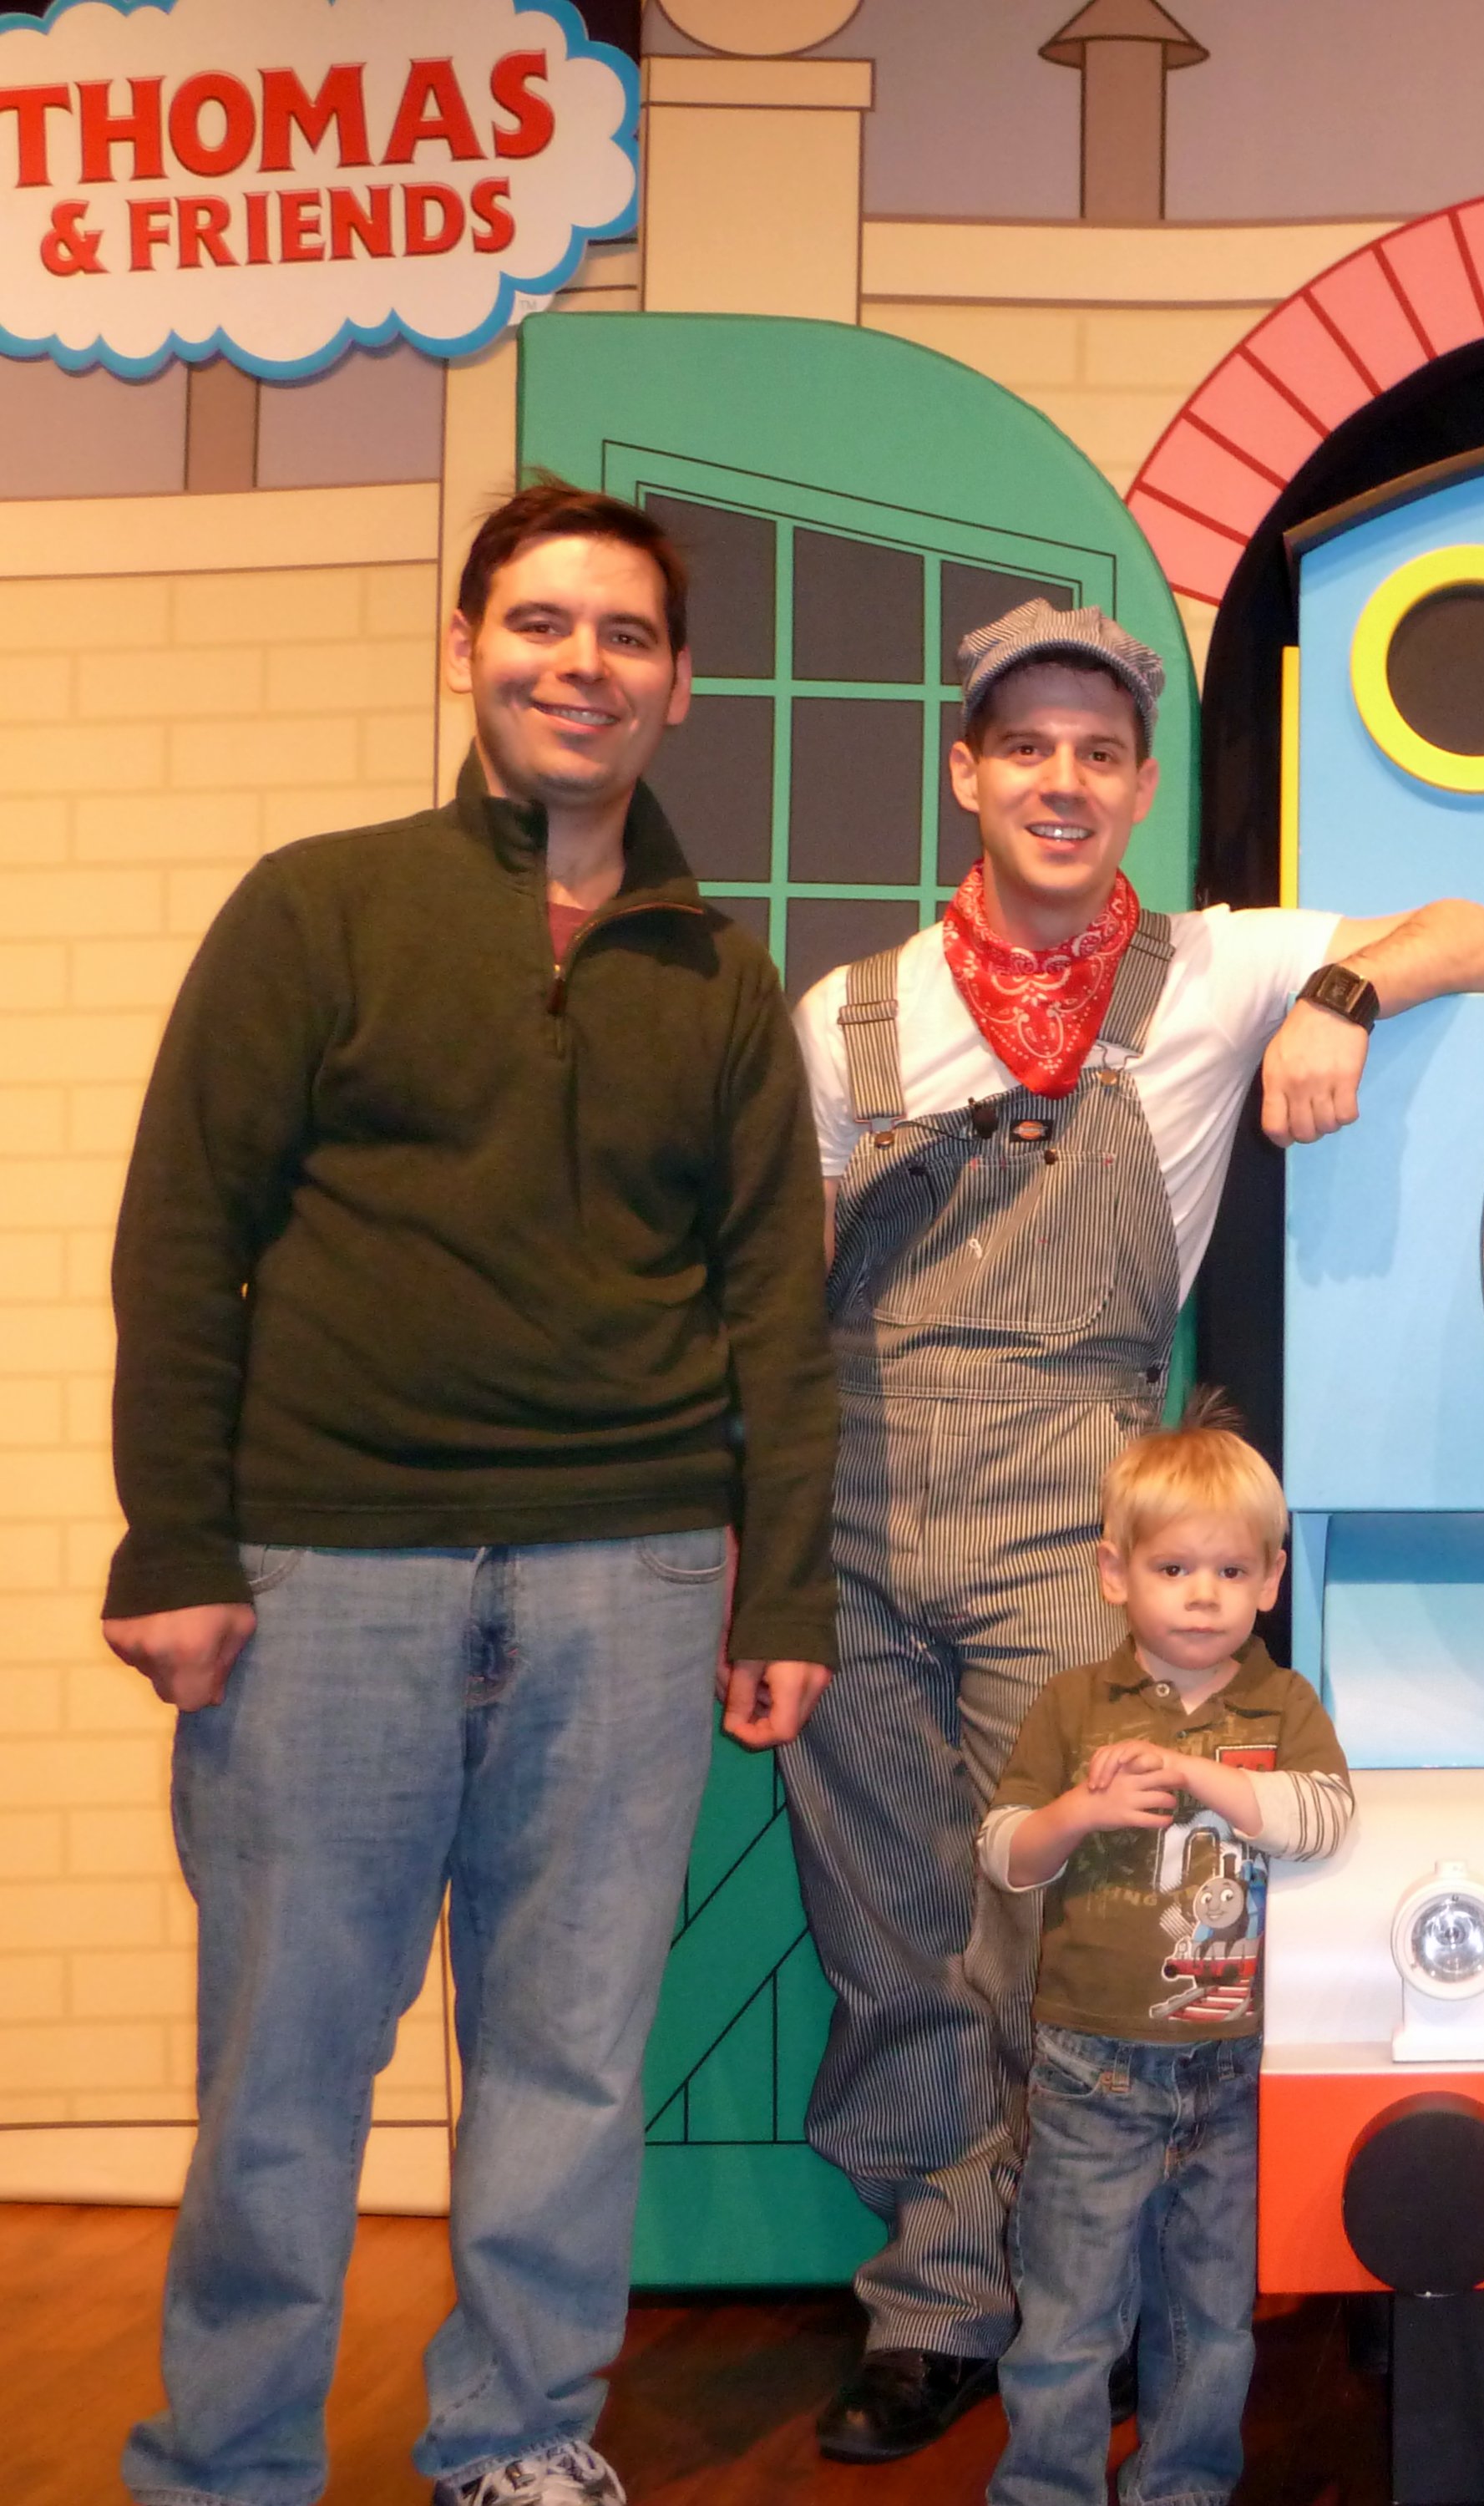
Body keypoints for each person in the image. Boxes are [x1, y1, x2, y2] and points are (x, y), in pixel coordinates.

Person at [103, 481, 838, 2506]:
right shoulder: (316, 909)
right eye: (539, 623)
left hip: (630, 1576)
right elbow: (183, 1237)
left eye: (624, 635)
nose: (578, 664)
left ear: (678, 688)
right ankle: (227, 2460)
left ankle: (516, 2436)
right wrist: (175, 1543)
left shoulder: (717, 974)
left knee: (571, 2061)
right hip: (323, 1578)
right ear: (465, 649)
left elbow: (775, 1306)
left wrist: (784, 1588)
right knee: (283, 2062)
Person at [783, 601, 1484, 2460]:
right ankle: (936, 2305)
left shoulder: (1217, 966)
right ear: (967, 772)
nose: (1063, 780)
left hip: (1078, 1503)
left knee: (1078, 1921)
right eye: (1026, 746)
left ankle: (1083, 2299)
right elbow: (783, 1293)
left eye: (1100, 752)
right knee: (890, 1932)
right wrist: (767, 1544)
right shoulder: (851, 1013)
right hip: (855, 1494)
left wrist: (1347, 995)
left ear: (1138, 788)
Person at [975, 1408, 1351, 2506]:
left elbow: (1328, 1819)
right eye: (1174, 1567)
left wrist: (1202, 1779)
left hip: (1233, 2067)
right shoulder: (1072, 1705)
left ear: (1270, 1581)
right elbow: (1003, 1854)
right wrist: (1077, 1813)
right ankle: (1043, 2491)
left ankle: (1182, 2488)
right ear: (1114, 1574)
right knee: (1068, 2315)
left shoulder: (1283, 1704)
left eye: (1230, 1571)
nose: (1202, 1595)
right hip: (1091, 2063)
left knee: (1210, 2319)